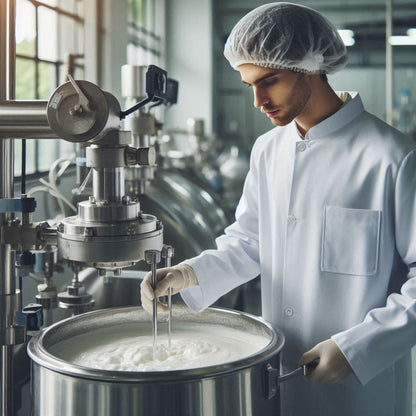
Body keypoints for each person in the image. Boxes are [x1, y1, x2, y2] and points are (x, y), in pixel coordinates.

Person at [141, 2, 416, 415]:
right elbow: (252, 241)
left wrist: (358, 348)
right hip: (278, 375)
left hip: (361, 389)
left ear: (310, 66)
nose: (257, 100)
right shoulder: (268, 150)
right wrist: (189, 273)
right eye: (249, 83)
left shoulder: (392, 157)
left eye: (269, 80)